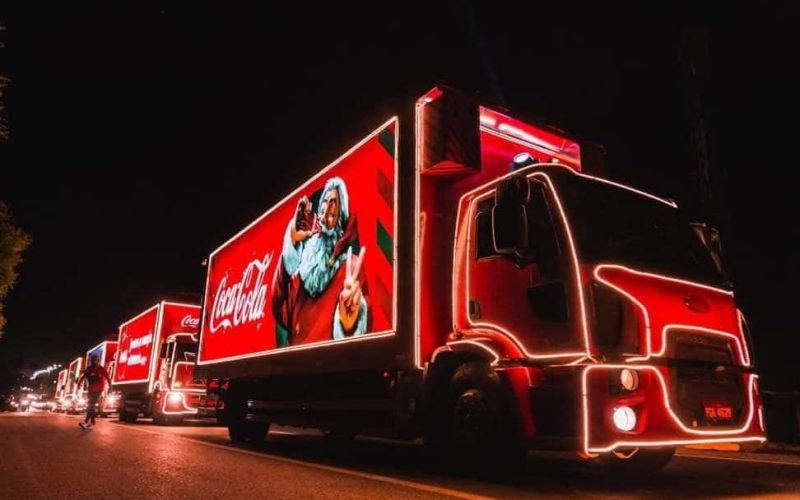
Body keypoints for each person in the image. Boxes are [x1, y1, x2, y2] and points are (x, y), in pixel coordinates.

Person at [272, 176, 370, 347]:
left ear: (341, 223)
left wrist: (349, 326)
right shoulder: (305, 268)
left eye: (334, 202)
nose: (327, 205)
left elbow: (362, 314)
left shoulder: (352, 268)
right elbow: (280, 308)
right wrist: (293, 240)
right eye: (325, 200)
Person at [75, 356, 112, 429]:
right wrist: (79, 384)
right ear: (91, 361)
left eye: (96, 360)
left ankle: (88, 422)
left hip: (98, 389)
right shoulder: (89, 369)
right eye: (93, 360)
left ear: (98, 361)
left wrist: (110, 387)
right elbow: (83, 376)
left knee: (91, 404)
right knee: (90, 405)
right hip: (90, 389)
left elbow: (108, 378)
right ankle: (90, 422)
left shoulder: (101, 369)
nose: (94, 361)